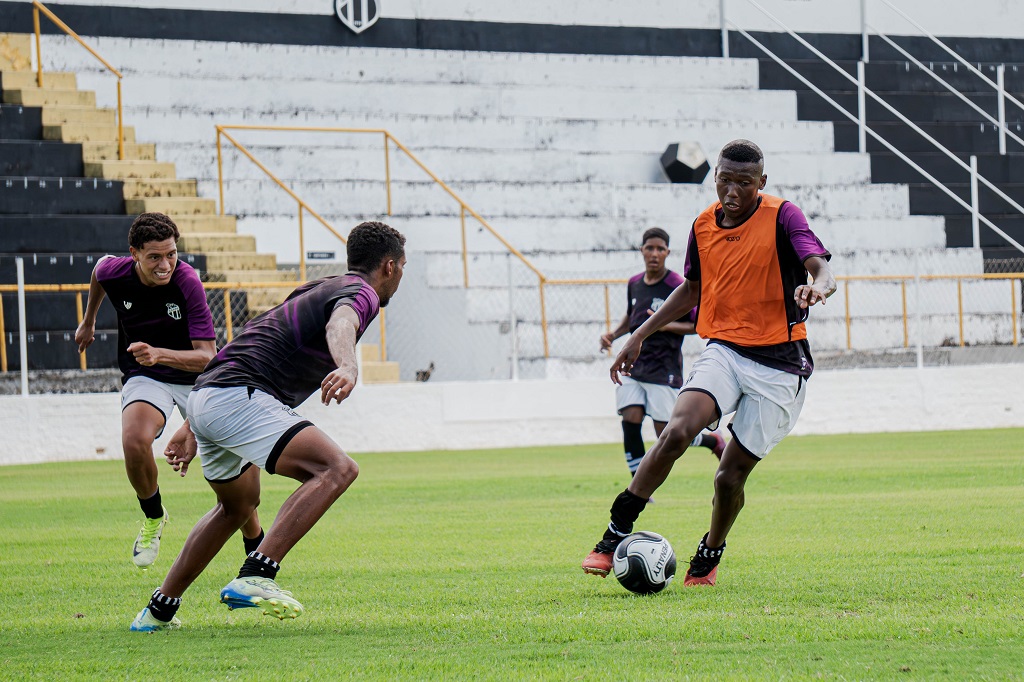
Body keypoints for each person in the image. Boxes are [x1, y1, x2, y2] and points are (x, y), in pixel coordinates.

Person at [130, 220, 406, 632]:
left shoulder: (318, 286)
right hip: (239, 395)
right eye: (403, 266)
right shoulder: (360, 293)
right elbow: (340, 324)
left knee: (236, 506)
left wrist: (194, 422)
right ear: (388, 266)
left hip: (212, 394)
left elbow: (251, 336)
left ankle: (156, 612)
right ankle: (257, 573)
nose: (402, 275)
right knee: (335, 469)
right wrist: (349, 365)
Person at [581, 140, 836, 585]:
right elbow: (692, 290)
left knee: (727, 479)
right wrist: (637, 335)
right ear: (713, 175)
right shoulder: (702, 225)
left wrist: (821, 285)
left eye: (744, 182)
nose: (733, 190)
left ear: (762, 182)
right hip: (725, 350)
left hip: (780, 367)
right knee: (677, 429)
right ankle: (615, 531)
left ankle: (710, 550)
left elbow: (820, 267)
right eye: (725, 179)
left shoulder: (783, 215)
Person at [75, 212, 264, 570]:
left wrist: (159, 353)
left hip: (199, 379)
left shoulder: (187, 281)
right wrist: (89, 321)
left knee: (233, 485)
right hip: (146, 375)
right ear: (134, 254)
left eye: (172, 254)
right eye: (155, 257)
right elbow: (99, 271)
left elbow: (208, 356)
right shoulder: (114, 271)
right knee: (134, 439)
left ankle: (255, 550)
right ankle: (152, 516)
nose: (166, 265)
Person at [600, 227, 724, 480]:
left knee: (666, 433)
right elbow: (632, 318)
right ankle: (638, 485)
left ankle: (711, 441)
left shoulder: (677, 285)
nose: (654, 254)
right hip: (634, 365)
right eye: (649, 248)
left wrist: (663, 323)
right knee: (630, 418)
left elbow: (698, 325)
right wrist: (614, 335)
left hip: (663, 368)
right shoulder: (634, 283)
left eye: (660, 249)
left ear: (668, 252)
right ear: (642, 251)